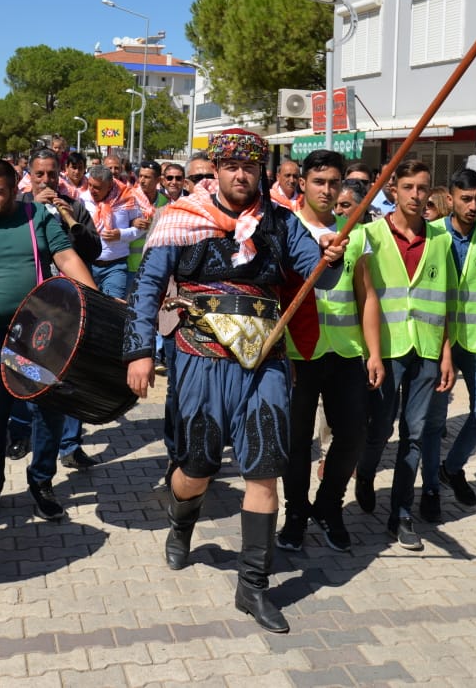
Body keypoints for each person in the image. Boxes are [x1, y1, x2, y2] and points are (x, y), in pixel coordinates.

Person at [122, 128, 348, 634]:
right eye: (229, 166)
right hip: (199, 356)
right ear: (216, 169)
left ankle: (254, 585)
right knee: (197, 464)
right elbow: (147, 289)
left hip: (264, 360)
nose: (240, 174)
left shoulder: (283, 223)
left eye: (249, 166)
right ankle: (181, 526)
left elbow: (320, 278)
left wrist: (331, 255)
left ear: (261, 171)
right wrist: (139, 352)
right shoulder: (181, 219)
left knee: (264, 466)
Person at [0, 159, 96, 522]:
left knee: (47, 410)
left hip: (39, 336)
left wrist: (94, 300)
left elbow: (67, 257)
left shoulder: (37, 217)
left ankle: (41, 483)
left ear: (14, 190)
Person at [353, 159, 455, 552]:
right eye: (408, 187)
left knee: (415, 433)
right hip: (388, 350)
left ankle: (401, 513)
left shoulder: (441, 240)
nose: (416, 195)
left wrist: (445, 352)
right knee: (380, 428)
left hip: (427, 349)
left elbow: (447, 299)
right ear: (393, 190)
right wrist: (372, 353)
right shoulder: (371, 235)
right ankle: (365, 472)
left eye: (423, 188)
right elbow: (363, 297)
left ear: (431, 193)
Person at [276, 150, 368, 555]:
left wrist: (375, 353)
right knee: (296, 442)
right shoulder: (284, 228)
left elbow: (368, 296)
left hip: (346, 350)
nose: (327, 190)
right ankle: (295, 512)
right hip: (298, 351)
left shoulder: (357, 230)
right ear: (303, 184)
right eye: (319, 181)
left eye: (334, 182)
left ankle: (329, 506)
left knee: (351, 435)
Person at [423, 169, 476, 522]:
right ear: (451, 200)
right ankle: (430, 487)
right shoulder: (432, 234)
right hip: (437, 339)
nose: (473, 205)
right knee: (433, 420)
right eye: (466, 198)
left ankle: (452, 467)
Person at [19, 148, 100, 471]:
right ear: (30, 175)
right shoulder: (20, 207)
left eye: (51, 174)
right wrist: (36, 211)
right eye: (39, 174)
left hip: (69, 302)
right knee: (30, 371)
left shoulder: (76, 206)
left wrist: (70, 222)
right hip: (33, 303)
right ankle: (26, 433)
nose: (46, 180)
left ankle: (70, 444)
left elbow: (93, 250)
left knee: (71, 375)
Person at [75, 165, 146, 300]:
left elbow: (141, 228)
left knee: (113, 308)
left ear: (109, 186)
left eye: (97, 187)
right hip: (87, 266)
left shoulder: (127, 199)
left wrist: (121, 234)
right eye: (90, 185)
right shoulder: (82, 200)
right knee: (89, 308)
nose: (92, 190)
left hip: (115, 267)